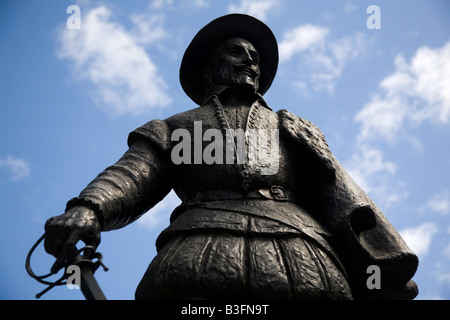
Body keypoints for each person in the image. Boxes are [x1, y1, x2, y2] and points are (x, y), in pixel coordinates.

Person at [44, 14, 418, 299]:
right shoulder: (176, 126)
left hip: (304, 258)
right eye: (236, 52)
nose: (250, 61)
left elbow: (339, 194)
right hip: (197, 254)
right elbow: (132, 174)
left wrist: (382, 259)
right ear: (209, 67)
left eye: (255, 56)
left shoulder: (293, 126)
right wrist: (90, 208)